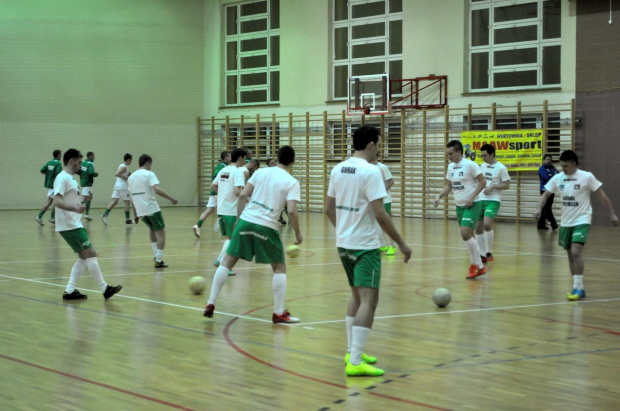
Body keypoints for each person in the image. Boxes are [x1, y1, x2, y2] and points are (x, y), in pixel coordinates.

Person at [325, 125, 411, 377]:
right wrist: (401, 243)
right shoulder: (371, 171)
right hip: (365, 246)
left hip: (343, 243)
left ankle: (353, 351)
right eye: (380, 144)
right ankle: (354, 362)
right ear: (371, 144)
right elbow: (380, 214)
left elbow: (329, 209)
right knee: (369, 301)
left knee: (356, 297)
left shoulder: (338, 168)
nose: (380, 148)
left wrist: (344, 230)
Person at [203, 145, 303, 324]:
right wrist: (298, 234)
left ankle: (210, 303)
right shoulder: (292, 182)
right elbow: (292, 211)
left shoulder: (260, 173)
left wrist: (238, 219)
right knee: (279, 267)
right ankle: (278, 312)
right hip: (267, 226)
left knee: (226, 262)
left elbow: (243, 196)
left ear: (277, 158)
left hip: (246, 220)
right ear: (293, 162)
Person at [534, 150, 618, 301]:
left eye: (565, 166)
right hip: (566, 222)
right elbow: (545, 195)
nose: (563, 169)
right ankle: (578, 287)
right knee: (570, 256)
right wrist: (538, 209)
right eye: (561, 166)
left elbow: (602, 196)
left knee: (575, 252)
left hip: (582, 219)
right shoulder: (558, 178)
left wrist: (612, 214)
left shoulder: (586, 176)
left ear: (574, 164)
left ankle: (577, 288)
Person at [52, 148, 122, 300]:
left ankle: (70, 291)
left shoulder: (71, 179)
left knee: (83, 257)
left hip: (73, 223)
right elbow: (57, 201)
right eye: (78, 162)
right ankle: (105, 289)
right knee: (90, 253)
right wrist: (75, 209)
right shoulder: (62, 177)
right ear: (71, 161)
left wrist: (84, 200)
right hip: (69, 225)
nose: (80, 166)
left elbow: (73, 203)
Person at [433, 140, 487, 279]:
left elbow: (483, 182)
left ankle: (474, 264)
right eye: (447, 154)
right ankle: (480, 267)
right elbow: (449, 186)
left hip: (473, 203)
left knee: (464, 233)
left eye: (451, 154)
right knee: (469, 236)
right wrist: (439, 196)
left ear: (458, 152)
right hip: (459, 205)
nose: (448, 156)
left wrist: (472, 196)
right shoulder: (450, 167)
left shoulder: (470, 165)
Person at [128, 154, 178, 268]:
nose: (151, 166)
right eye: (151, 164)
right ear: (147, 162)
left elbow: (132, 197)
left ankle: (156, 255)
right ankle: (159, 260)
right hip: (151, 207)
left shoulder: (131, 177)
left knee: (152, 229)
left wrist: (135, 214)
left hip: (140, 210)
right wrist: (171, 199)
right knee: (161, 232)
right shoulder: (149, 174)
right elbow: (157, 190)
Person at [211, 148, 247, 274]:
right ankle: (223, 264)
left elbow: (213, 186)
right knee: (232, 238)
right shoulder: (237, 172)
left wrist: (223, 195)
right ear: (240, 158)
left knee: (229, 237)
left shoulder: (223, 170)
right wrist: (247, 200)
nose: (245, 161)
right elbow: (238, 192)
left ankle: (219, 260)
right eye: (244, 158)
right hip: (231, 210)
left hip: (221, 208)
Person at [475, 144, 511, 263]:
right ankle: (481, 253)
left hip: (493, 199)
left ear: (492, 154)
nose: (483, 158)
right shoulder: (482, 166)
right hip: (481, 198)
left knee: (487, 223)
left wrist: (494, 186)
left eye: (485, 155)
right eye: (482, 156)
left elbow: (507, 185)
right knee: (478, 226)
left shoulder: (501, 168)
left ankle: (488, 251)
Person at [193, 151, 231, 238]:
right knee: (223, 210)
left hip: (214, 192)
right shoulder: (223, 166)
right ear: (226, 157)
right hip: (218, 190)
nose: (231, 158)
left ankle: (197, 225)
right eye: (229, 156)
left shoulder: (222, 166)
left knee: (209, 210)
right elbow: (215, 176)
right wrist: (225, 180)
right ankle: (222, 229)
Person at [370, 153, 396, 255]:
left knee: (385, 224)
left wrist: (382, 190)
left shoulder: (382, 167)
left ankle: (392, 246)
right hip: (374, 200)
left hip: (385, 200)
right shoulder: (368, 168)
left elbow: (391, 181)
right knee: (376, 224)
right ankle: (382, 245)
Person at [101, 153, 134, 225]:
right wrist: (126, 178)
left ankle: (104, 215)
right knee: (127, 202)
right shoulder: (124, 167)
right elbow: (116, 174)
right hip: (122, 186)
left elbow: (126, 173)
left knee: (115, 201)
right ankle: (127, 219)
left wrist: (132, 175)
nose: (131, 162)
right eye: (131, 160)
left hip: (117, 186)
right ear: (128, 159)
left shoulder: (122, 166)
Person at [35, 149, 62, 226]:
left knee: (50, 201)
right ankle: (51, 217)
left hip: (49, 185)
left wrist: (49, 175)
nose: (61, 156)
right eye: (60, 154)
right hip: (55, 186)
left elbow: (42, 170)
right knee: (55, 202)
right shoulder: (58, 164)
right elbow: (58, 174)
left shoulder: (49, 162)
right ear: (58, 155)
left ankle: (39, 217)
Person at [538, 154, 559, 230]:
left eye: (550, 159)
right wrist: (553, 175)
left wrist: (552, 175)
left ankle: (540, 224)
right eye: (547, 159)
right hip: (544, 190)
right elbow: (546, 177)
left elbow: (558, 175)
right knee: (547, 208)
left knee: (546, 208)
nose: (548, 161)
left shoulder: (552, 168)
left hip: (552, 189)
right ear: (543, 160)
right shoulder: (542, 169)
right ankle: (553, 223)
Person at [79, 151, 98, 221]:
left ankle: (87, 214)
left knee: (90, 197)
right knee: (84, 199)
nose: (94, 157)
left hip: (84, 182)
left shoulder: (83, 163)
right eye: (93, 156)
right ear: (90, 156)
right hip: (88, 183)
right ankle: (77, 213)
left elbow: (79, 171)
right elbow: (91, 173)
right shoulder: (91, 164)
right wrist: (95, 174)